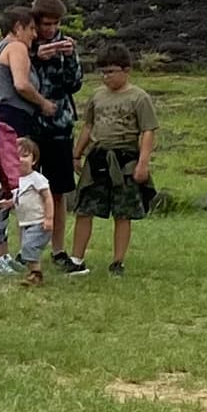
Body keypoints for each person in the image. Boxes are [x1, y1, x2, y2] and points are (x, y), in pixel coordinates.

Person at [64, 46, 162, 273]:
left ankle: (118, 261)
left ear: (126, 70)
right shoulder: (97, 96)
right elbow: (89, 126)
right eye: (103, 72)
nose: (106, 77)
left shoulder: (139, 97)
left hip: (124, 157)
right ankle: (77, 259)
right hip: (98, 156)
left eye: (111, 72)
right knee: (85, 209)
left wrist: (143, 163)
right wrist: (77, 153)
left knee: (123, 212)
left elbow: (148, 131)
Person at [0, 4, 57, 281]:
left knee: (1, 183)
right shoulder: (16, 48)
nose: (35, 35)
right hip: (12, 119)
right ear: (17, 28)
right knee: (7, 185)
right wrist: (44, 104)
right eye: (31, 30)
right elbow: (21, 84)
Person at [27, 0, 88, 269]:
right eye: (46, 24)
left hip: (60, 125)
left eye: (55, 24)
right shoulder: (23, 43)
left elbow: (75, 84)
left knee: (58, 190)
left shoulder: (65, 44)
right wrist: (36, 56)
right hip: (30, 124)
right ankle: (27, 248)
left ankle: (58, 248)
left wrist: (70, 57)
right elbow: (17, 78)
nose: (50, 30)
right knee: (24, 188)